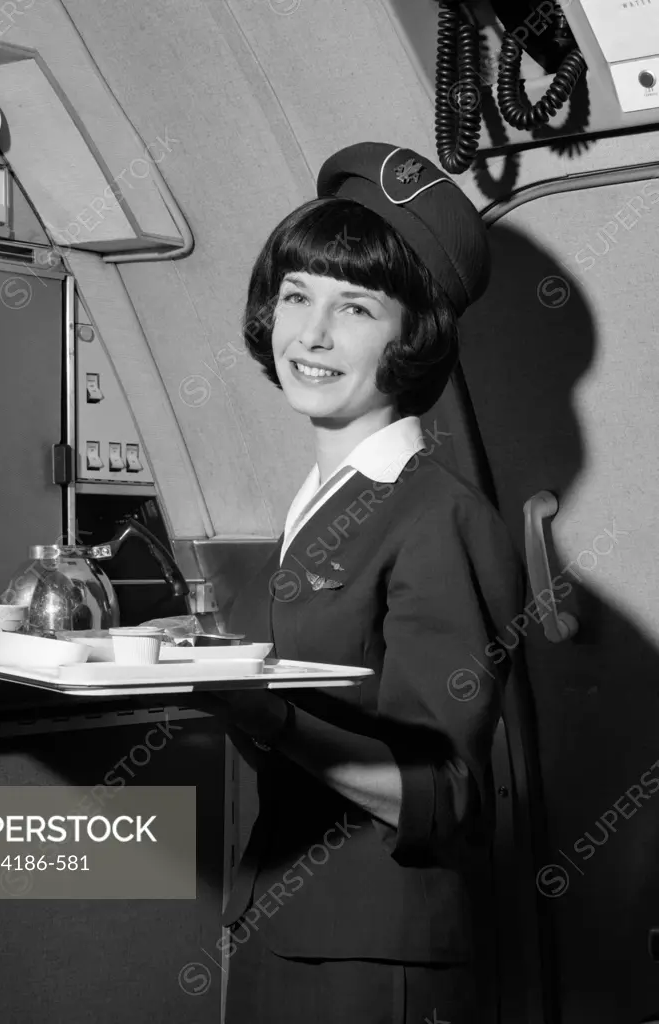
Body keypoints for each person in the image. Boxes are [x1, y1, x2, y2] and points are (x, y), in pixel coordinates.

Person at [201, 142, 525, 1023]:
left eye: (355, 308)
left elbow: (446, 793)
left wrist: (266, 713)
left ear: (412, 336)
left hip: (379, 954)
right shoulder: (319, 504)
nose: (310, 334)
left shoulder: (440, 517)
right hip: (282, 919)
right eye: (297, 296)